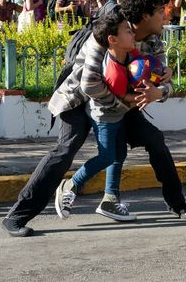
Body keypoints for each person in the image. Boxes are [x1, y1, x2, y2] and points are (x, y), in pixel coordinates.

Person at [1, 0, 186, 238]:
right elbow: (90, 83)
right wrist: (126, 100)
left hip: (117, 103)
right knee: (66, 149)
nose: (167, 16)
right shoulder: (107, 31)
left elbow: (165, 82)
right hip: (78, 99)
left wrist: (158, 92)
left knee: (154, 139)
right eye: (161, 11)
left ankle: (177, 203)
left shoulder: (153, 41)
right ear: (145, 15)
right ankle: (17, 215)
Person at [54, 12, 139, 221]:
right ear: (112, 40)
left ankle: (109, 199)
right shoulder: (112, 70)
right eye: (127, 31)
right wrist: (133, 98)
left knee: (119, 154)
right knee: (107, 156)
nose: (132, 34)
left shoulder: (126, 54)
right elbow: (119, 93)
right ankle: (71, 184)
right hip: (105, 116)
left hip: (117, 114)